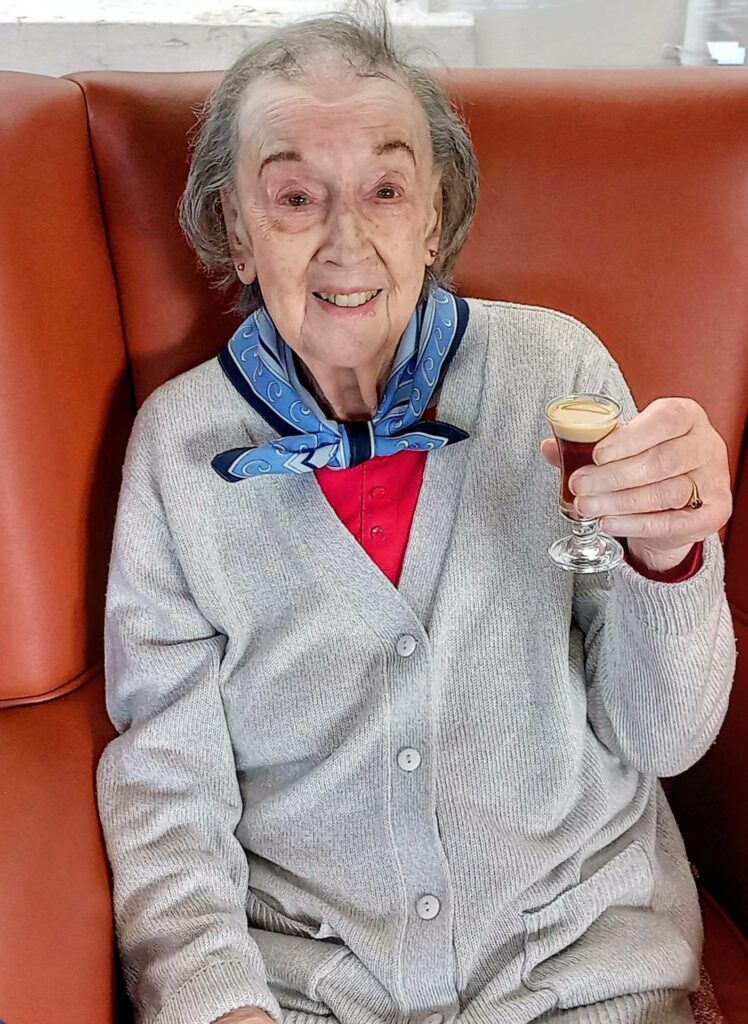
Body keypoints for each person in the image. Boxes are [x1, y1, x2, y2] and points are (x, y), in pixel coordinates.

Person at [96, 5, 736, 1024]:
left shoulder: (557, 372)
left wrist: (669, 553)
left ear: (434, 217)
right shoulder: (177, 451)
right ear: (235, 228)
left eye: (386, 190)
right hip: (315, 988)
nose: (347, 240)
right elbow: (168, 786)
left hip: (581, 970)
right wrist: (220, 1003)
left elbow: (663, 737)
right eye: (295, 197)